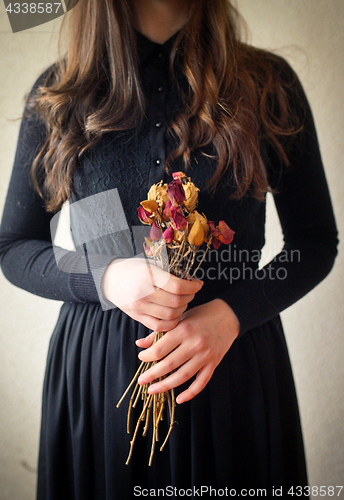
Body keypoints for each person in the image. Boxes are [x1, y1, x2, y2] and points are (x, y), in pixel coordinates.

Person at [0, 0, 338, 498]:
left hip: (233, 370)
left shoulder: (268, 82)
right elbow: (14, 246)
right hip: (101, 381)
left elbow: (315, 242)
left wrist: (232, 315)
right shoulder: (61, 93)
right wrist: (106, 277)